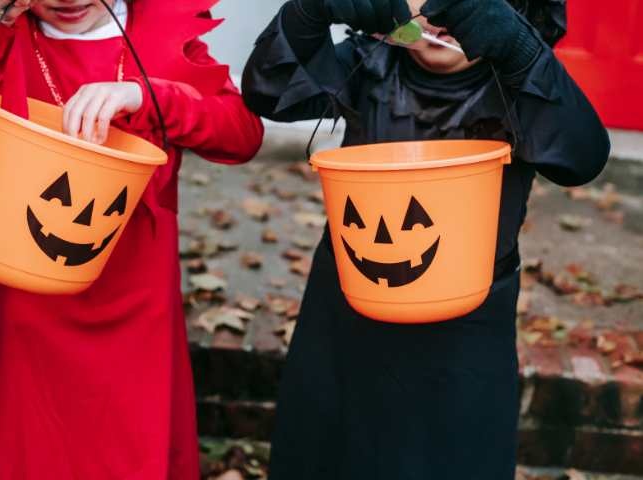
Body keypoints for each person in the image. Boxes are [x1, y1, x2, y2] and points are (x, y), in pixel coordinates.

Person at [242, 0, 609, 478]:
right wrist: (309, 11)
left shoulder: (521, 81)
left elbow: (583, 156)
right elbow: (266, 91)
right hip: (347, 311)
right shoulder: (366, 64)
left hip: (464, 335)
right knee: (328, 454)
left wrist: (521, 51)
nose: (442, 11)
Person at [0, 0, 263, 478]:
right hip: (34, 296)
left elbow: (241, 133)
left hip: (137, 294)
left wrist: (149, 96)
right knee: (43, 447)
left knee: (136, 444)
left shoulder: (153, 33)